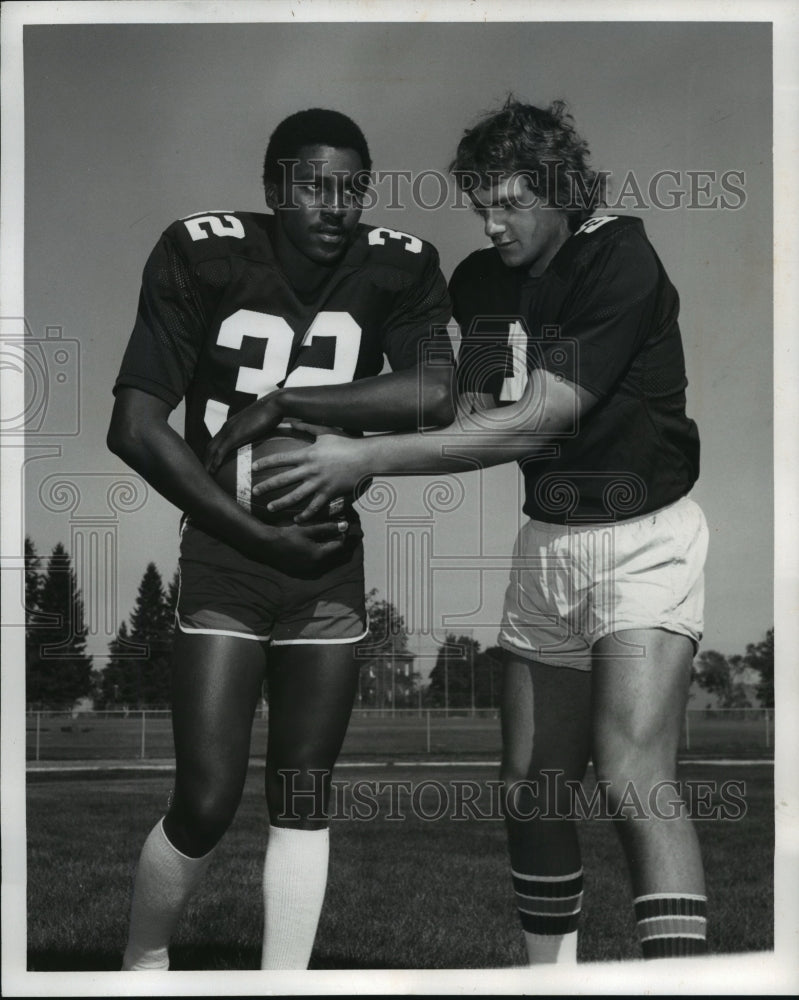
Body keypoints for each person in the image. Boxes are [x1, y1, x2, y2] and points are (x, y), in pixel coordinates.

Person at [233, 98, 709, 963]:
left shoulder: (619, 256)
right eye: (479, 204)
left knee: (631, 771)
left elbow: (537, 423)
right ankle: (548, 979)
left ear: (561, 191)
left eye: (510, 203)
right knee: (529, 788)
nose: (491, 224)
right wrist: (331, 425)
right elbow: (478, 411)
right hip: (547, 541)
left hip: (645, 535)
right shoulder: (483, 282)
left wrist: (363, 459)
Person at [108, 107, 453, 971]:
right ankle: (143, 961)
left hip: (326, 556)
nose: (335, 206)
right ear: (273, 188)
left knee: (304, 790)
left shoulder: (399, 266)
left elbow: (437, 392)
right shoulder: (203, 250)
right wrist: (244, 531)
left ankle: (283, 985)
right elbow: (136, 425)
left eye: (351, 189)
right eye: (312, 186)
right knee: (208, 797)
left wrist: (293, 403)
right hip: (228, 550)